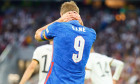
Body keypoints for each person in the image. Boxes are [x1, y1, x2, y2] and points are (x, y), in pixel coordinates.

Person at [35, 1, 96, 84]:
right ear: (78, 15)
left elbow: (37, 35)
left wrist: (60, 20)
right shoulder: (91, 33)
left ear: (62, 14)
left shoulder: (58, 27)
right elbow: (81, 32)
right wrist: (80, 22)